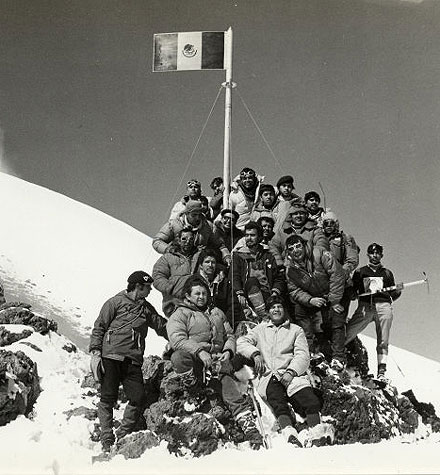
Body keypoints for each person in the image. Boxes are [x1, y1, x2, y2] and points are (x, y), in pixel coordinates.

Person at [166, 276, 264, 448]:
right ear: (188, 296)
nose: (201, 297)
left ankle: (251, 430)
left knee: (231, 393)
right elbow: (177, 340)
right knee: (178, 357)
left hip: (218, 362)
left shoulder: (217, 312)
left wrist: (227, 351)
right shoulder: (179, 314)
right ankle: (194, 389)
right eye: (197, 293)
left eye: (204, 293)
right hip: (195, 360)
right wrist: (200, 351)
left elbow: (229, 335)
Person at [237, 296, 334, 447]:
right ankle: (290, 435)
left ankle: (317, 433)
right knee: (277, 402)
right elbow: (242, 342)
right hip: (269, 374)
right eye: (272, 307)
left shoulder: (296, 330)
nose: (276, 310)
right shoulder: (260, 330)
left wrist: (292, 371)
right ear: (268, 311)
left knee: (310, 399)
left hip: (292, 374)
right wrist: (255, 354)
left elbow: (302, 355)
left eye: (279, 307)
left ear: (284, 310)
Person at [89, 271, 168, 452]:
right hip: (111, 357)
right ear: (138, 287)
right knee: (108, 397)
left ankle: (122, 433)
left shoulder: (146, 308)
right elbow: (99, 326)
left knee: (138, 396)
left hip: (133, 360)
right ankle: (107, 437)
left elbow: (161, 326)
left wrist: (179, 332)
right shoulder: (114, 303)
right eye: (147, 288)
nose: (149, 291)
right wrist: (95, 351)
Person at [285, 235, 346, 370]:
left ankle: (338, 357)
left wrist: (335, 300)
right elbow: (294, 291)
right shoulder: (290, 270)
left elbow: (337, 274)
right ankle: (310, 350)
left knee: (337, 318)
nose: (296, 251)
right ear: (288, 252)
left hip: (335, 292)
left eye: (298, 246)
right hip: (315, 297)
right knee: (299, 310)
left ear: (304, 245)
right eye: (291, 249)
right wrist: (310, 300)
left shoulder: (320, 253)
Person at [345, 243, 403, 382]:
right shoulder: (360, 272)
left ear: (381, 255)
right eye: (372, 253)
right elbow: (354, 290)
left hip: (383, 306)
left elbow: (391, 295)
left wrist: (398, 291)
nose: (374, 255)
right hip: (366, 306)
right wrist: (353, 293)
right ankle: (337, 357)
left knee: (383, 340)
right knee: (349, 331)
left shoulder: (387, 273)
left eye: (377, 253)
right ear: (368, 254)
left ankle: (381, 372)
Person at [321, 211, 359, 359]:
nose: (329, 226)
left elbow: (352, 260)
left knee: (338, 321)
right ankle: (324, 352)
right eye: (326, 223)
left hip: (342, 285)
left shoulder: (346, 239)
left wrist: (340, 273)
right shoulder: (319, 238)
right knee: (322, 320)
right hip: (323, 285)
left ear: (336, 224)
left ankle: (338, 356)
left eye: (332, 223)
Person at [231, 221, 284, 321]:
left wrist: (275, 292)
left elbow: (278, 277)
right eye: (247, 235)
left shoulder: (267, 255)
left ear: (259, 237)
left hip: (268, 294)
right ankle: (264, 315)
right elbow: (234, 276)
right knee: (252, 281)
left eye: (252, 235)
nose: (249, 238)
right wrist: (239, 293)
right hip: (248, 294)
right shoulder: (238, 256)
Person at [152, 200, 231, 266]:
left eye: (199, 214)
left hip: (199, 264)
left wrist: (226, 256)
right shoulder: (173, 225)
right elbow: (157, 241)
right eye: (194, 215)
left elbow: (221, 245)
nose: (197, 218)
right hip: (177, 263)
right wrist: (169, 249)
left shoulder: (209, 227)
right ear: (186, 213)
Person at [152, 228, 201, 317]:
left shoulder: (199, 256)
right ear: (178, 241)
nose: (187, 242)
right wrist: (172, 288)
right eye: (184, 239)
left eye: (191, 239)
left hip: (197, 303)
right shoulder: (167, 257)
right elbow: (157, 277)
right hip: (175, 304)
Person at [269, 201, 329, 268]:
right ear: (291, 216)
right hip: (289, 267)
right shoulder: (282, 231)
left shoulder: (314, 229)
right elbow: (273, 246)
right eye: (295, 214)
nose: (298, 216)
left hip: (311, 265)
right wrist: (279, 261)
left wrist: (313, 258)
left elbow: (321, 243)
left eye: (301, 213)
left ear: (306, 215)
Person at [194, 248, 229, 315]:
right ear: (201, 265)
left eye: (213, 262)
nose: (210, 265)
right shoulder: (193, 281)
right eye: (207, 262)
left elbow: (232, 304)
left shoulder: (224, 282)